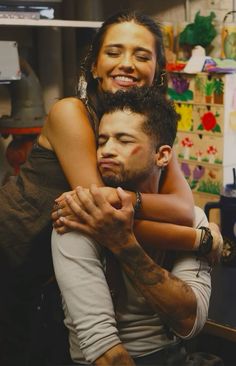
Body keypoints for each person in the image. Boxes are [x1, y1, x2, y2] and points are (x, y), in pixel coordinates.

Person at [0, 10, 221, 366]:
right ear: (96, 65)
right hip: (11, 259)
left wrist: (138, 203)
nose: (128, 64)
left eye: (142, 55)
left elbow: (182, 208)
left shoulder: (150, 130)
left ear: (158, 71)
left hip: (54, 275)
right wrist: (202, 240)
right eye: (114, 52)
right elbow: (104, 221)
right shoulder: (70, 113)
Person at [52, 86, 213, 366]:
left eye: (123, 140)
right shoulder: (78, 219)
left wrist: (122, 242)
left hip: (174, 354)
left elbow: (190, 320)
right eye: (102, 141)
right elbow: (106, 353)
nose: (106, 151)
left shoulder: (193, 219)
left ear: (162, 155)